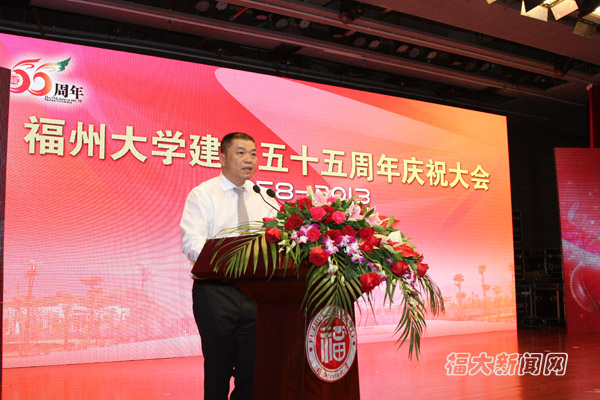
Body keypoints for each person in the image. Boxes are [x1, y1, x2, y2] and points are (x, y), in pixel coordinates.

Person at [180, 132, 275, 400]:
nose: (249, 160)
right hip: (216, 292)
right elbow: (192, 242)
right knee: (218, 368)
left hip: (256, 293)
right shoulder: (203, 195)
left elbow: (277, 239)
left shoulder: (263, 197)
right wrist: (232, 260)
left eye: (253, 154)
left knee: (253, 369)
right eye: (241, 153)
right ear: (222, 158)